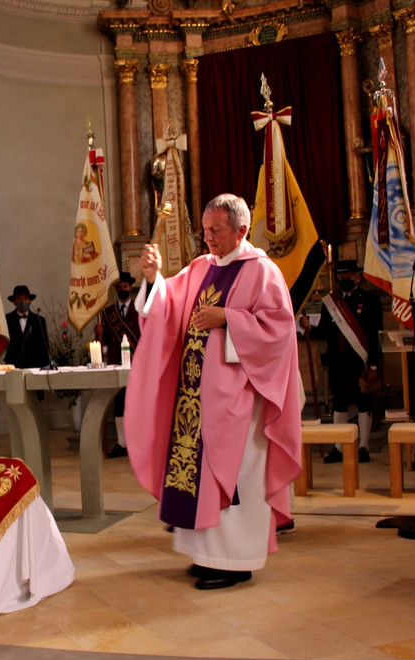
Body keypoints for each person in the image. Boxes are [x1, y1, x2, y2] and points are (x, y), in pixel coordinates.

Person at [125, 194, 302, 590]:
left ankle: (235, 561)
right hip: (196, 399)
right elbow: (167, 307)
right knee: (198, 478)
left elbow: (279, 332)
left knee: (234, 479)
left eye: (216, 231)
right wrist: (153, 278)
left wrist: (228, 318)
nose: (208, 239)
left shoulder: (262, 272)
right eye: (204, 231)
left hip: (240, 404)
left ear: (241, 230)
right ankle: (207, 555)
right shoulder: (201, 267)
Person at [299, 260, 382, 464]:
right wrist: (309, 327)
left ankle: (363, 446)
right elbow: (326, 330)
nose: (344, 278)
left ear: (357, 277)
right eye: (341, 275)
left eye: (349, 275)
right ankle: (339, 447)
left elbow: (375, 335)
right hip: (338, 360)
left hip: (360, 360)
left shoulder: (370, 300)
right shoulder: (331, 303)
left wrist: (373, 365)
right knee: (340, 402)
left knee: (363, 401)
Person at [95, 272, 141, 458]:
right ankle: (122, 444)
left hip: (137, 364)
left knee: (137, 403)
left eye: (126, 286)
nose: (123, 289)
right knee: (119, 403)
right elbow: (102, 343)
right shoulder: (106, 313)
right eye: (120, 287)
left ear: (130, 287)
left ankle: (138, 443)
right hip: (115, 363)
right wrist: (98, 333)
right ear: (115, 289)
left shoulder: (140, 311)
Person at [4, 285, 51, 369]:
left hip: (35, 365)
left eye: (26, 298)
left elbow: (44, 345)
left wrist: (45, 364)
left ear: (30, 301)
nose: (23, 302)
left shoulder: (39, 320)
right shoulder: (7, 319)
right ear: (14, 301)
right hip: (13, 365)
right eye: (19, 299)